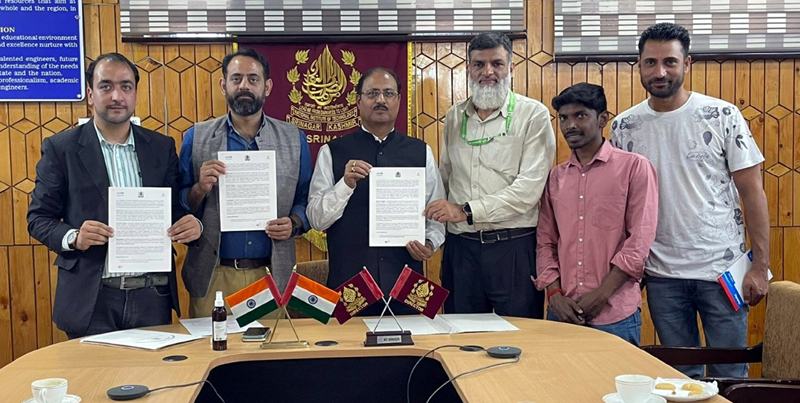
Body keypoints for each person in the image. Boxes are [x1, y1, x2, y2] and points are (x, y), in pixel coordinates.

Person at [611, 23, 770, 377]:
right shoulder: (623, 127)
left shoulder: (723, 115)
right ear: (639, 66)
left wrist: (760, 266)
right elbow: (623, 207)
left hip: (721, 271)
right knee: (680, 380)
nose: (660, 71)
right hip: (661, 276)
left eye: (669, 61)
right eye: (650, 62)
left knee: (730, 376)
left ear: (687, 63)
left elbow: (753, 193)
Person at [27, 53, 202, 338]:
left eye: (126, 86)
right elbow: (38, 218)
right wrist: (74, 237)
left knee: (153, 381)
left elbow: (173, 211)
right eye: (106, 86)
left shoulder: (161, 147)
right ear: (90, 95)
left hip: (151, 297)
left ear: (135, 93)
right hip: (92, 298)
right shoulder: (62, 149)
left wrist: (194, 225)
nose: (117, 96)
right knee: (93, 381)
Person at [425, 32, 556, 318]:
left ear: (511, 67)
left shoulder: (533, 115)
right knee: (461, 338)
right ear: (468, 69)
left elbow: (528, 191)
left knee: (522, 339)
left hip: (513, 249)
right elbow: (445, 178)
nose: (488, 72)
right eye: (479, 64)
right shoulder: (454, 116)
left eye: (497, 63)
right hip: (461, 251)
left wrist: (466, 211)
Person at [179, 48, 312, 317]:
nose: (244, 86)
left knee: (266, 357)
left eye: (253, 79)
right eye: (236, 78)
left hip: (271, 275)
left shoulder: (293, 138)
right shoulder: (196, 137)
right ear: (223, 85)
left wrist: (294, 223)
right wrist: (199, 188)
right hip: (213, 275)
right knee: (212, 353)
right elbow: (178, 204)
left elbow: (306, 197)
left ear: (267, 87)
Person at [307, 67, 446, 316]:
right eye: (372, 93)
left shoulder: (420, 152)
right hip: (350, 284)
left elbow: (436, 212)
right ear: (358, 101)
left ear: (398, 101)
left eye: (388, 93)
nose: (381, 100)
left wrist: (430, 242)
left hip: (407, 285)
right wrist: (345, 185)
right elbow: (316, 219)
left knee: (413, 353)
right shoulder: (332, 152)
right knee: (349, 351)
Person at [535, 83, 659, 345]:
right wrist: (554, 294)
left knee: (614, 386)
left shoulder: (634, 168)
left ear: (602, 118)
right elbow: (545, 241)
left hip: (615, 314)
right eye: (564, 118)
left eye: (580, 115)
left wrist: (602, 294)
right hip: (562, 312)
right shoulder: (556, 178)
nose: (570, 125)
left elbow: (639, 242)